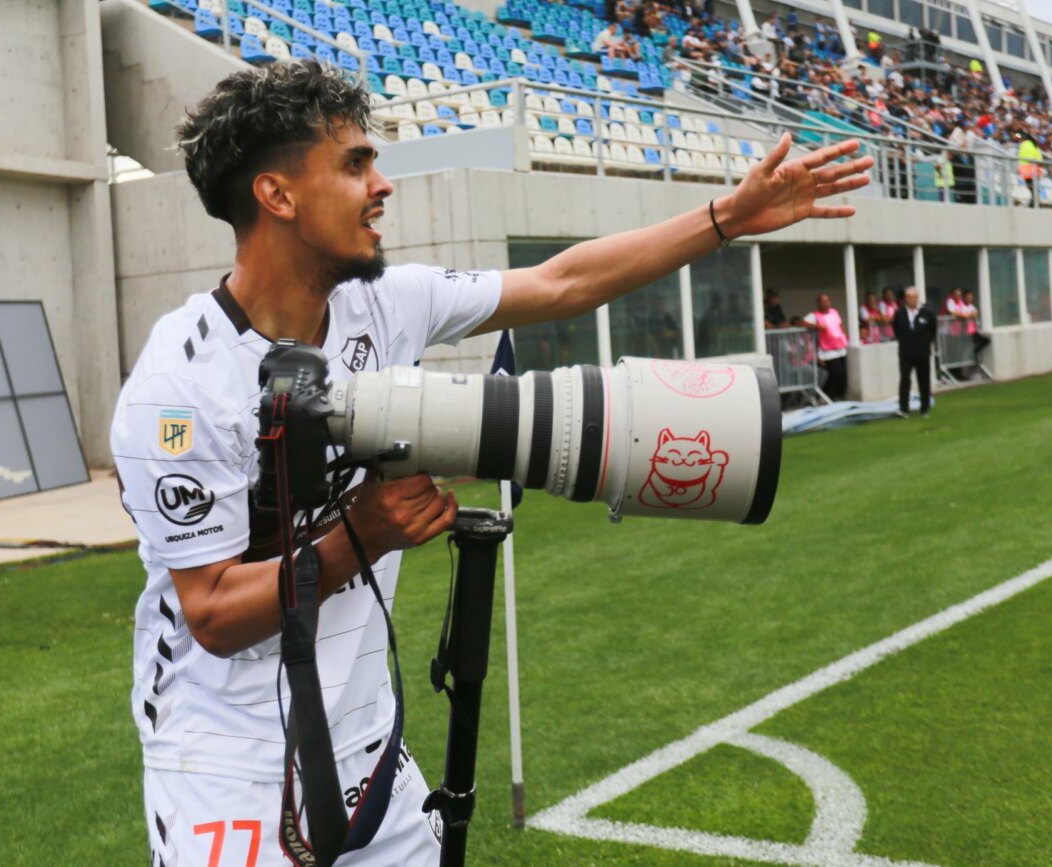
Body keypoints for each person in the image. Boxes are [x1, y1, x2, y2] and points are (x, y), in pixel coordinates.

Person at [110, 61, 871, 866]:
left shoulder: (386, 301)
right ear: (278, 196)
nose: (382, 184)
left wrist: (726, 216)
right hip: (226, 766)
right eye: (355, 163)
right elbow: (215, 614)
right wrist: (359, 538)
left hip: (368, 750)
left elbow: (562, 281)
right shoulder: (179, 388)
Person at [892, 285, 937, 417]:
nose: (912, 299)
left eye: (914, 297)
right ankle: (903, 409)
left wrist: (924, 343)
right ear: (905, 298)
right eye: (909, 297)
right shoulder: (899, 313)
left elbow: (932, 330)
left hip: (922, 353)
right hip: (906, 353)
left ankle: (925, 408)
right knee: (905, 379)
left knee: (924, 380)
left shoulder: (926, 313)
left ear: (917, 298)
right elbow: (897, 331)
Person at [801, 293, 849, 399]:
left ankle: (842, 394)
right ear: (819, 304)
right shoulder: (815, 315)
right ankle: (833, 395)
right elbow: (803, 323)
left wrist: (845, 337)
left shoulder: (834, 312)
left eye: (827, 301)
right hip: (828, 351)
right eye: (823, 302)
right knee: (835, 373)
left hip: (840, 347)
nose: (826, 304)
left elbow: (840, 326)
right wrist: (817, 326)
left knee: (843, 373)